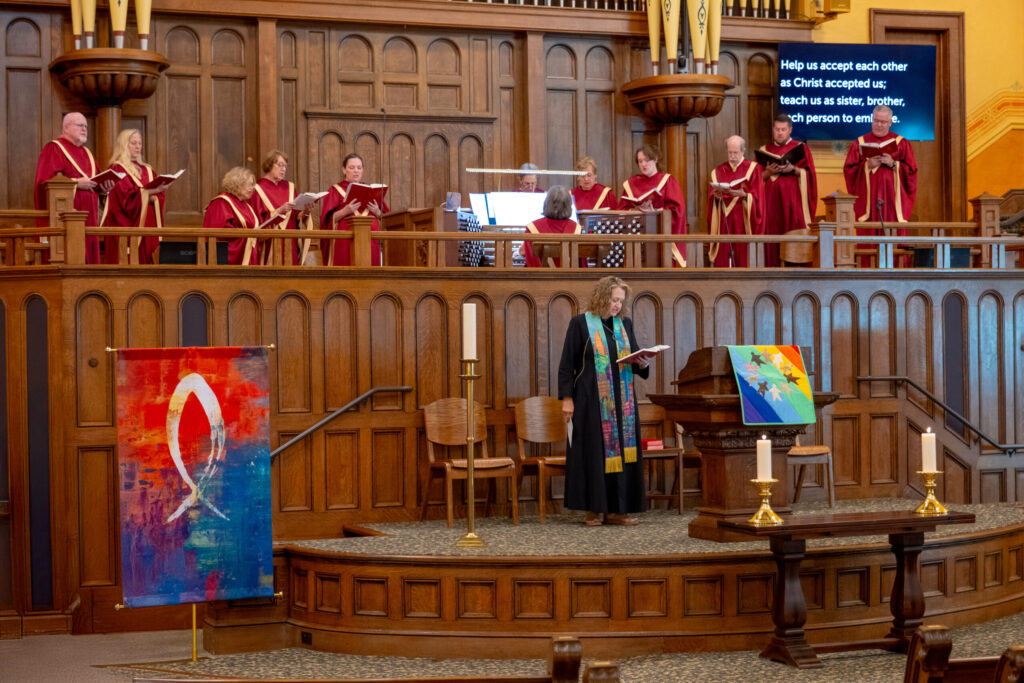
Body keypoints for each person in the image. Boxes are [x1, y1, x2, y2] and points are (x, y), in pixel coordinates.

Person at [558, 276, 651, 526]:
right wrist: (567, 399)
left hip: (622, 403)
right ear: (602, 298)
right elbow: (567, 365)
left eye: (621, 300)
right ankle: (593, 510)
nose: (617, 305)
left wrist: (643, 362)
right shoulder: (580, 324)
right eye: (613, 300)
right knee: (593, 453)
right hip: (590, 401)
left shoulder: (624, 325)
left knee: (621, 452)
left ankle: (617, 511)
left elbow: (634, 358)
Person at [33, 112, 115, 264]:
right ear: (66, 127)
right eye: (80, 125)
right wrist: (76, 183)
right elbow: (44, 183)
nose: (84, 129)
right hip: (67, 219)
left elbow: (95, 183)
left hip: (89, 218)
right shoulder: (54, 148)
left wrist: (104, 189)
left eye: (86, 126)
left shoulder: (87, 153)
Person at [843, 104, 918, 266]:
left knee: (893, 241)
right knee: (869, 243)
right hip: (869, 207)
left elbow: (912, 172)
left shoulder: (902, 143)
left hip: (892, 205)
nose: (879, 124)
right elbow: (849, 171)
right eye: (876, 120)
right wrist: (867, 166)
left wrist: (894, 164)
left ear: (890, 122)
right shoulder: (860, 143)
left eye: (883, 122)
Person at [100, 129, 171, 265]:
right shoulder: (117, 169)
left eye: (139, 143)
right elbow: (124, 198)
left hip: (149, 225)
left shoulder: (148, 170)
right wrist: (150, 192)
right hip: (130, 224)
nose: (138, 146)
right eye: (133, 143)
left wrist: (156, 194)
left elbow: (158, 196)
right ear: (124, 145)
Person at [758, 114, 817, 267]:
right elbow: (756, 179)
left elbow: (810, 176)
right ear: (773, 130)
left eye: (783, 129)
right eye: (777, 129)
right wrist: (768, 172)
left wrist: (793, 169)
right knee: (772, 236)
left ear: (790, 130)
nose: (779, 132)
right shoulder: (764, 150)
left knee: (793, 234)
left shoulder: (801, 148)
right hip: (771, 205)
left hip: (793, 204)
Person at [620, 145, 687, 267]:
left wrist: (655, 211)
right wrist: (634, 210)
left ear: (655, 159)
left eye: (647, 160)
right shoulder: (631, 183)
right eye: (640, 161)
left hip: (660, 239)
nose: (644, 164)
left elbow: (677, 211)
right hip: (636, 239)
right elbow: (620, 211)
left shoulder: (668, 181)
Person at [320, 153, 388, 266]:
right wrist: (345, 211)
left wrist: (377, 212)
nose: (356, 171)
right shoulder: (335, 190)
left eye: (359, 167)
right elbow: (327, 220)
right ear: (344, 170)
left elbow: (388, 219)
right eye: (352, 167)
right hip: (346, 240)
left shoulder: (372, 190)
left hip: (370, 239)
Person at [707, 135, 764, 268]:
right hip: (723, 221)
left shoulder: (753, 169)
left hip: (743, 222)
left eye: (735, 153)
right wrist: (716, 196)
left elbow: (758, 198)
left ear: (743, 151)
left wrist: (744, 195)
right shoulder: (718, 171)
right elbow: (711, 197)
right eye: (730, 152)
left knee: (743, 258)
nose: (732, 156)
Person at [249, 150, 308, 265]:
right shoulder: (257, 189)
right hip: (269, 243)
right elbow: (254, 220)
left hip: (290, 241)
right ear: (270, 165)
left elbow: (297, 218)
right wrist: (279, 211)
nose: (284, 169)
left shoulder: (289, 187)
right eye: (280, 165)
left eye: (285, 166)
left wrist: (306, 211)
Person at [203, 166, 260, 265]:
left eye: (253, 185)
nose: (252, 188)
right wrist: (247, 235)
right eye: (249, 185)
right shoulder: (221, 202)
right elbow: (221, 231)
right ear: (238, 183)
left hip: (249, 254)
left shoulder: (246, 205)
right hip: (230, 257)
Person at [521, 185, 585, 268]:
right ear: (569, 205)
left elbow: (527, 256)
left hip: (540, 278)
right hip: (569, 278)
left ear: (547, 203)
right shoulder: (577, 228)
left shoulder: (533, 228)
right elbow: (581, 263)